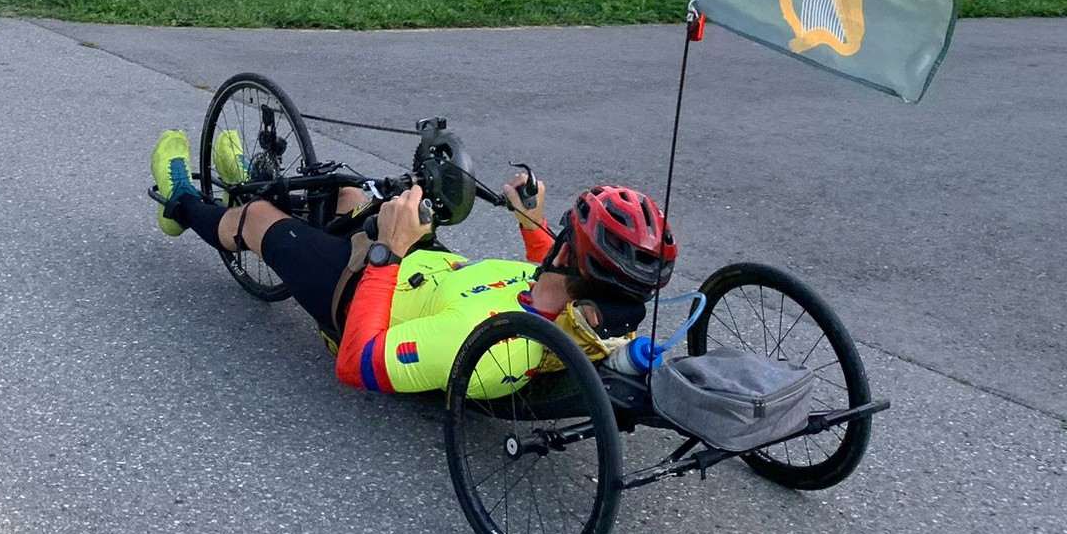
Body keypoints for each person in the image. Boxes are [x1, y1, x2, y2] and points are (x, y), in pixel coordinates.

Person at [149, 130, 677, 395]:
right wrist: (528, 222)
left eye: (562, 234)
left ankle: (182, 205)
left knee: (259, 222)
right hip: (425, 265)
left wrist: (389, 251)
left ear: (571, 256)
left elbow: (357, 365)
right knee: (350, 188)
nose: (554, 238)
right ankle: (250, 180)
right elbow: (548, 280)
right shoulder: (565, 308)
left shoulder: (492, 351)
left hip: (357, 292)